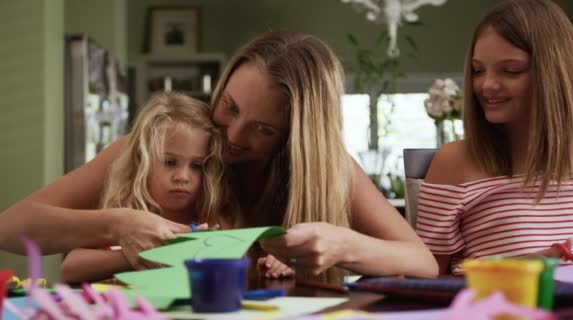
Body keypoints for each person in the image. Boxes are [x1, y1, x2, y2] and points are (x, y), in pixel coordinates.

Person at [1, 31, 438, 278]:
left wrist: (343, 244)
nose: (230, 134)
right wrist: (116, 223)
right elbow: (10, 228)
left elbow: (421, 262)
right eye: (229, 105)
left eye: (262, 130)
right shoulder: (168, 146)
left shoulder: (329, 168)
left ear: (294, 137)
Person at [415, 0, 573, 275]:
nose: (486, 85)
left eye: (511, 70)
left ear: (555, 74)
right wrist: (516, 268)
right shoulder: (455, 161)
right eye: (478, 70)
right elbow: (423, 276)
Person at [60, 92, 230, 283]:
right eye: (169, 162)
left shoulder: (210, 219)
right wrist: (140, 254)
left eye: (196, 166)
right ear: (142, 161)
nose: (182, 177)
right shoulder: (125, 215)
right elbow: (70, 269)